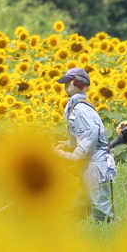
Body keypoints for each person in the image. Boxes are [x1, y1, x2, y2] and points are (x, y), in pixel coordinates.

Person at [53, 67, 115, 222]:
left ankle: (107, 238)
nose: (66, 86)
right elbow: (83, 135)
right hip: (90, 163)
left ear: (78, 83)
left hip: (94, 163)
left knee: (100, 208)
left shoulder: (81, 109)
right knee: (87, 202)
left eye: (69, 82)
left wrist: (70, 156)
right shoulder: (77, 105)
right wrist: (66, 144)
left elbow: (90, 135)